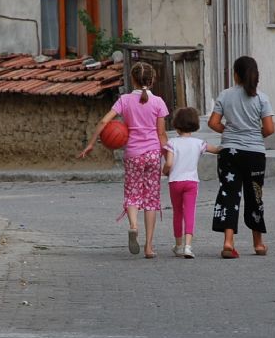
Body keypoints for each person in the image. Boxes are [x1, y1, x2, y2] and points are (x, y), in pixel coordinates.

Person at [80, 62, 169, 258]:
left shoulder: (125, 100)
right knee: (151, 199)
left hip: (133, 154)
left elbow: (104, 121)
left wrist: (91, 143)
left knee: (132, 193)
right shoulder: (158, 102)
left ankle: (134, 226)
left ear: (132, 79)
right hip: (153, 154)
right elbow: (161, 134)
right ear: (152, 80)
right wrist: (168, 157)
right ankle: (149, 247)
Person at [208, 56, 275, 258]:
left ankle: (228, 243)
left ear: (235, 74)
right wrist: (253, 135)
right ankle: (258, 244)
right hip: (255, 154)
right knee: (255, 196)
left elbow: (213, 123)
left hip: (229, 152)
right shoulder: (262, 98)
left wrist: (230, 132)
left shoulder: (225, 95)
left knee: (229, 195)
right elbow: (269, 129)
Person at [163, 107, 220, 259]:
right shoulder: (198, 143)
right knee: (190, 212)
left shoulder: (172, 143)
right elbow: (216, 150)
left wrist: (165, 171)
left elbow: (169, 163)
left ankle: (178, 245)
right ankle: (188, 246)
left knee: (177, 213)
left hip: (175, 182)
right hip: (191, 182)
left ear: (176, 125)